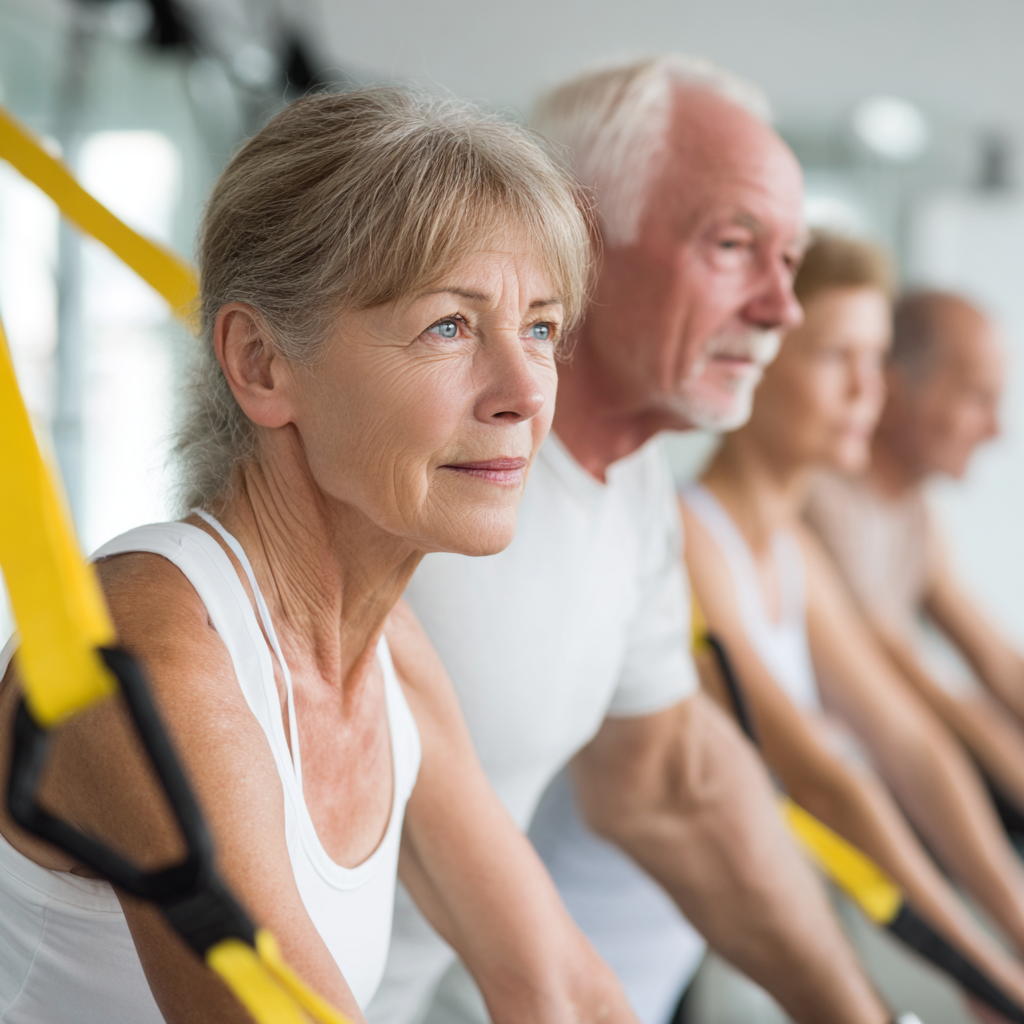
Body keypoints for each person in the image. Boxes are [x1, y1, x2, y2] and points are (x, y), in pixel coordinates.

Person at [0, 88, 638, 1024]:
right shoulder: (155, 662)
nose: (524, 392)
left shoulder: (390, 656)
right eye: (450, 327)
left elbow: (560, 991)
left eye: (539, 328)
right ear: (261, 364)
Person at [367, 56, 891, 1024]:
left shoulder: (635, 487)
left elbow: (668, 784)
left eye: (789, 257)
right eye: (734, 244)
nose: (782, 307)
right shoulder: (405, 490)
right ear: (579, 237)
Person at [678, 234, 1024, 1023]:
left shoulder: (794, 549)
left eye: (877, 359)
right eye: (839, 357)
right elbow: (821, 774)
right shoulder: (688, 538)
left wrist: (1011, 929)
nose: (872, 391)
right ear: (754, 363)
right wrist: (977, 961)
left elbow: (911, 745)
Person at [805, 290, 1024, 827]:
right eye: (977, 398)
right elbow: (915, 682)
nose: (995, 430)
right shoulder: (823, 500)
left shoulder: (915, 515)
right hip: (846, 785)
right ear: (896, 394)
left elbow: (995, 660)